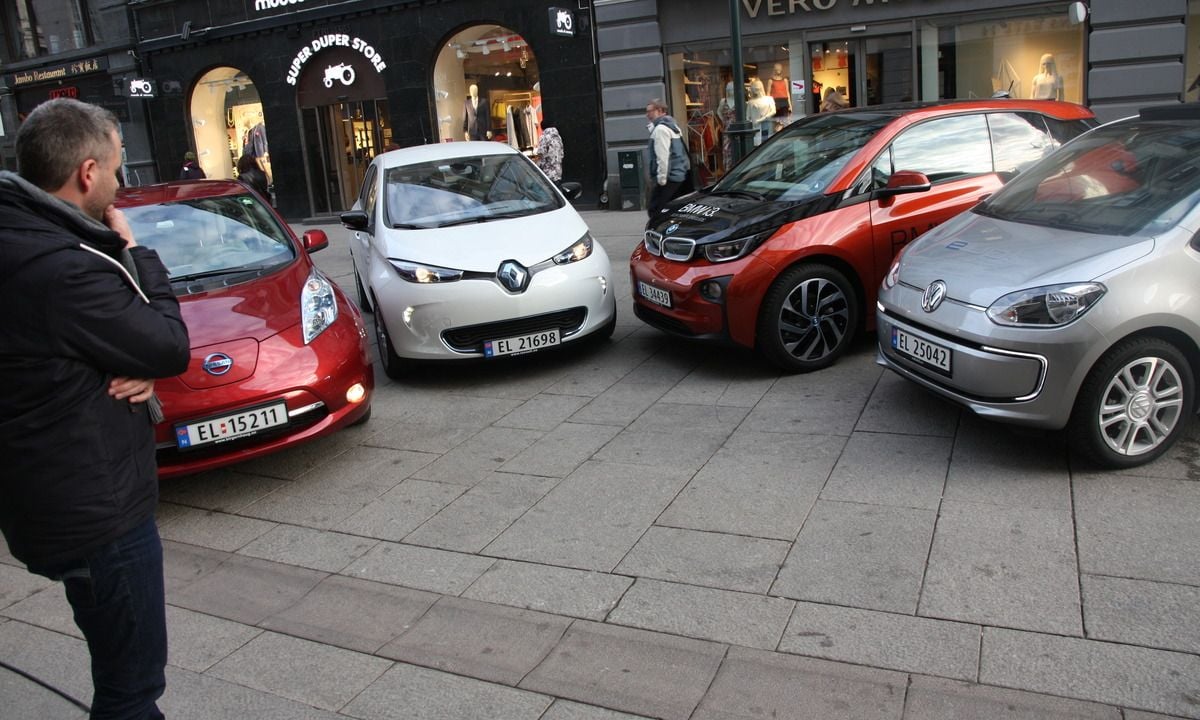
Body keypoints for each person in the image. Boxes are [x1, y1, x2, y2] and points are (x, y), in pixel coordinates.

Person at [0, 98, 190, 719]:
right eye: (116, 170)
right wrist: (135, 252)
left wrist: (110, 356)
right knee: (131, 690)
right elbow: (168, 346)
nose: (120, 184)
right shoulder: (64, 266)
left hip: (47, 499)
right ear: (87, 174)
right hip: (97, 516)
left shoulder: (21, 235)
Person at [645, 98, 691, 216]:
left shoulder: (660, 129)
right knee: (673, 209)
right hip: (678, 175)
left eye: (650, 111)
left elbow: (663, 157)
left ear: (660, 110)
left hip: (668, 177)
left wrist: (661, 179)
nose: (647, 115)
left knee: (655, 210)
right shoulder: (672, 126)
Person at [533, 117, 564, 183]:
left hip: (548, 174)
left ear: (542, 128)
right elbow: (561, 153)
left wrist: (536, 167)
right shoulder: (558, 137)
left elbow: (541, 154)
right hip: (558, 172)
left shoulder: (544, 137)